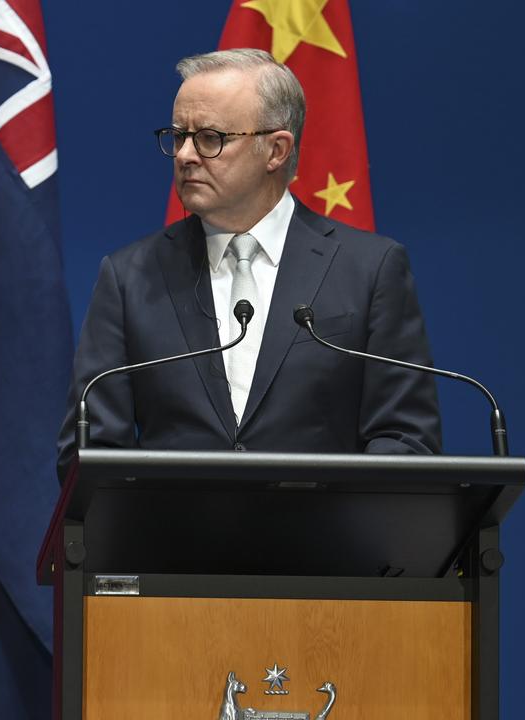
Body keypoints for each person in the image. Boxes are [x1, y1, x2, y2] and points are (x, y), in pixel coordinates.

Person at [58, 49, 440, 472]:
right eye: (178, 135)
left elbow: (405, 440)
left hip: (325, 535)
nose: (185, 155)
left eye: (209, 138)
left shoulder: (370, 269)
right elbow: (90, 452)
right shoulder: (130, 278)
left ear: (276, 150)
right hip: (173, 536)